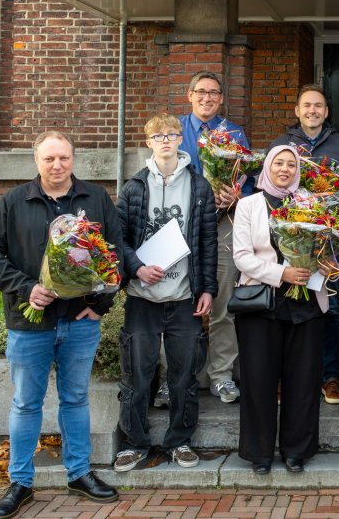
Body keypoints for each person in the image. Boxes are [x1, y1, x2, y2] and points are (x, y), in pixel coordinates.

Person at [0, 131, 122, 519]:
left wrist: (101, 303)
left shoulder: (95, 199)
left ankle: (79, 473)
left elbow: (115, 254)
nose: (57, 166)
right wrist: (27, 289)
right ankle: (21, 482)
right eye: (49, 159)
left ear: (74, 159)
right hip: (29, 324)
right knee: (26, 403)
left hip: (79, 321)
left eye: (64, 158)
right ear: (36, 161)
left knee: (76, 399)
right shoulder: (13, 202)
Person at [112, 115, 217, 473]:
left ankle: (179, 441)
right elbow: (118, 240)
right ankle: (134, 442)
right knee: (137, 376)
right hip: (143, 297)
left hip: (184, 295)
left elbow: (207, 241)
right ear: (148, 142)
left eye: (172, 134)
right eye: (158, 136)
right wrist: (137, 267)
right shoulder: (134, 188)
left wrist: (208, 289)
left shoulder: (200, 186)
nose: (166, 140)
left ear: (180, 140)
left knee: (184, 376)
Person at [232, 145, 331, 475]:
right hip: (262, 304)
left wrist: (324, 265)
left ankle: (296, 451)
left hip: (305, 304)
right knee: (258, 380)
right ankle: (259, 453)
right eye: (279, 163)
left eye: (291, 164)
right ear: (267, 168)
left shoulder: (311, 205)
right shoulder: (248, 205)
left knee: (302, 382)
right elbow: (242, 257)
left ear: (298, 170)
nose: (285, 169)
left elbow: (324, 250)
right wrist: (281, 274)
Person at [270, 84, 339, 406]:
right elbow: (269, 190)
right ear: (297, 111)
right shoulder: (283, 144)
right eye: (306, 105)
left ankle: (329, 377)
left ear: (326, 112)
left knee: (331, 308)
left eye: (318, 106)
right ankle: (288, 375)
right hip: (291, 243)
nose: (312, 110)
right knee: (287, 308)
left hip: (330, 244)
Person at [174, 70, 250, 407]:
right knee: (177, 305)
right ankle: (176, 377)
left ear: (221, 98)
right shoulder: (173, 131)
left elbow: (248, 181)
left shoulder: (234, 133)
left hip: (223, 226)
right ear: (189, 95)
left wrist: (234, 195)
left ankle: (220, 375)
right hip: (179, 229)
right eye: (201, 92)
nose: (207, 98)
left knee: (222, 305)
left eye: (214, 93)